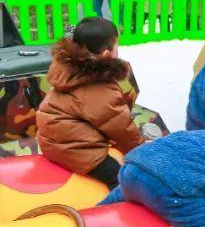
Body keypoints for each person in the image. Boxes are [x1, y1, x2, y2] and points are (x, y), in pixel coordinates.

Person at [35, 18, 143, 189]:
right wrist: (141, 152)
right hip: (74, 148)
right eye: (116, 45)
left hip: (54, 138)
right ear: (107, 54)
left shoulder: (68, 66)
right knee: (121, 179)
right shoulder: (98, 86)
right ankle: (116, 208)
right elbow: (120, 126)